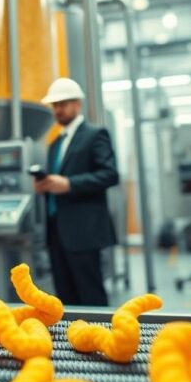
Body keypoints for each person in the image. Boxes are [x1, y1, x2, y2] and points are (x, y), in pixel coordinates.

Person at [33, 78, 119, 306]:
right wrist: (45, 186)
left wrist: (69, 184)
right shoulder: (54, 145)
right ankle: (73, 342)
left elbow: (110, 174)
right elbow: (57, 181)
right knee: (66, 299)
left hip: (84, 233)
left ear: (77, 104)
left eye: (62, 104)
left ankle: (97, 342)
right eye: (55, 105)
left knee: (91, 298)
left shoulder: (95, 134)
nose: (58, 110)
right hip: (57, 233)